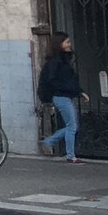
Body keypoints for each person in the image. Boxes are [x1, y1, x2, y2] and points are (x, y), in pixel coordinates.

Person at [36, 31, 87, 164]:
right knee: (72, 126)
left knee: (72, 125)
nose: (69, 44)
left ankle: (49, 141)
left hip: (64, 95)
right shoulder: (56, 62)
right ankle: (70, 156)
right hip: (61, 96)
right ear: (60, 44)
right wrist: (75, 90)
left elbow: (68, 81)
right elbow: (57, 80)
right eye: (67, 42)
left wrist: (79, 92)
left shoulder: (62, 60)